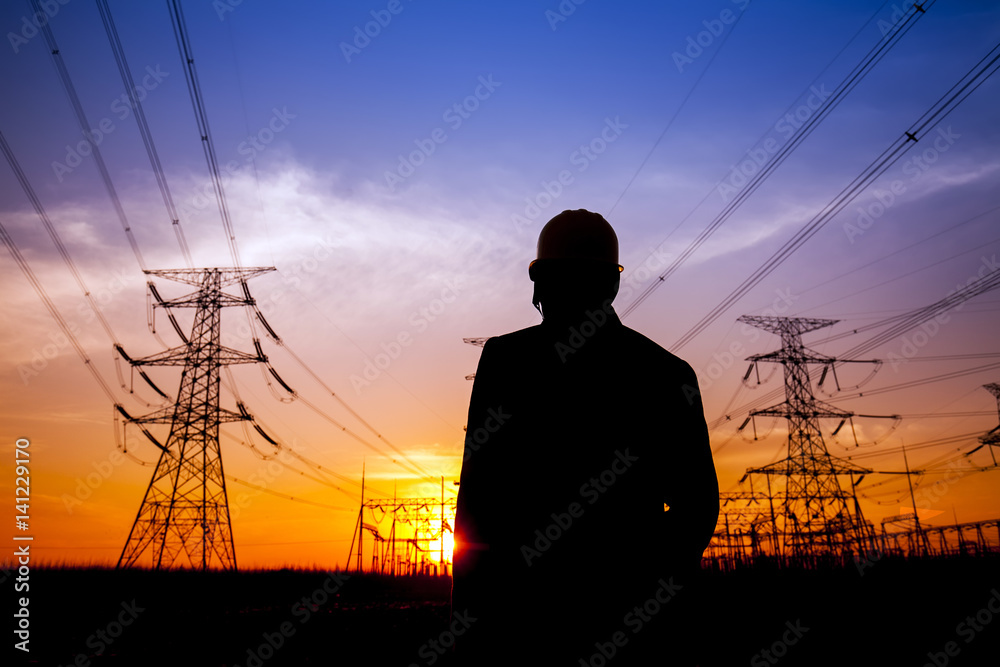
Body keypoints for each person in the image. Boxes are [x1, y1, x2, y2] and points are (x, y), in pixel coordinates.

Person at [452, 209, 719, 665]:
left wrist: (468, 627)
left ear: (539, 282)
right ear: (612, 284)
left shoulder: (506, 361)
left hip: (524, 629)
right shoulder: (666, 374)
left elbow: (477, 502)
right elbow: (696, 507)